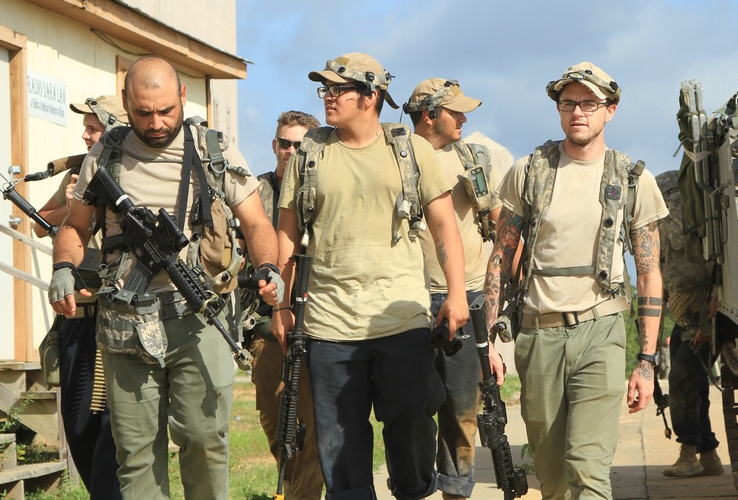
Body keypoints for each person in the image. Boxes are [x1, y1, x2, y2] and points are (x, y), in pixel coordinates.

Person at [49, 56, 279, 500]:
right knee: (134, 454)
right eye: (142, 113)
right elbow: (75, 227)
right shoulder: (107, 153)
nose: (155, 123)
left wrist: (267, 267)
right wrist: (63, 267)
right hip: (126, 322)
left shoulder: (215, 150)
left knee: (204, 440)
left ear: (182, 97)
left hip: (199, 317)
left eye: (165, 111)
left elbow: (257, 224)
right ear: (125, 104)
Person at [273, 52, 469, 500]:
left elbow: (445, 228)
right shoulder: (310, 152)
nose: (327, 97)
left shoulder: (410, 149)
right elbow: (287, 234)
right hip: (328, 326)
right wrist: (282, 307)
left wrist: (455, 294)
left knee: (413, 429)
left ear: (371, 96)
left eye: (337, 89)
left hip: (400, 320)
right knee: (339, 447)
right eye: (324, 89)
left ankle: (414, 491)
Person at [483, 61, 668, 500]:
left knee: (588, 471)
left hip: (600, 332)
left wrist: (646, 361)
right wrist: (486, 340)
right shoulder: (530, 171)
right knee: (552, 476)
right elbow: (500, 257)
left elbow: (649, 272)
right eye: (569, 103)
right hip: (538, 333)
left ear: (611, 109)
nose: (578, 112)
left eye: (589, 103)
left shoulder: (631, 178)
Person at [404, 78, 502, 500]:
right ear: (429, 116)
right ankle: (415, 487)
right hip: (410, 300)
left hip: (468, 296)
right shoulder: (397, 156)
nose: (463, 118)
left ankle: (456, 492)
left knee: (462, 410)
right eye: (454, 111)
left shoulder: (471, 158)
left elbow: (500, 225)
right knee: (411, 410)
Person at [34, 95, 125, 499]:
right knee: (77, 426)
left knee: (109, 427)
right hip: (76, 315)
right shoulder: (77, 173)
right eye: (85, 127)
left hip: (115, 317)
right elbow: (41, 224)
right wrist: (72, 206)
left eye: (93, 127)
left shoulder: (131, 172)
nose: (85, 134)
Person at [248, 109, 324, 499]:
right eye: (283, 143)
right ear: (274, 145)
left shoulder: (324, 189)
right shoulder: (254, 193)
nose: (288, 151)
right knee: (279, 430)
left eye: (298, 145)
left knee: (310, 431)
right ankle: (295, 489)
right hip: (265, 327)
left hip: (318, 324)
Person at [655, 170, 724, 478]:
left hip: (701, 317)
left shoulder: (702, 220)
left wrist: (708, 319)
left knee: (682, 385)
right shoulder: (660, 228)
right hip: (684, 317)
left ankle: (689, 454)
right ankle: (708, 454)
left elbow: (715, 268)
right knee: (695, 388)